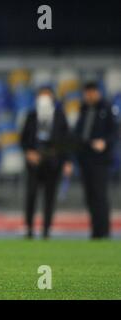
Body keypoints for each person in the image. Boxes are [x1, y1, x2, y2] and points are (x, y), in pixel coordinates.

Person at [21, 87, 73, 239]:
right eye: (41, 96)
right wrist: (29, 152)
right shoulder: (31, 116)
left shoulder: (60, 116)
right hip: (34, 162)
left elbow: (66, 140)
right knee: (31, 195)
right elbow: (23, 138)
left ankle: (46, 230)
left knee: (49, 197)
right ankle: (29, 229)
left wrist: (67, 161)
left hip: (53, 162)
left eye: (46, 96)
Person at [74, 82, 118, 239]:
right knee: (90, 196)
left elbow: (114, 133)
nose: (89, 95)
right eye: (87, 92)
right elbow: (78, 133)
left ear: (98, 92)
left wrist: (104, 142)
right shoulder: (83, 109)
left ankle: (104, 231)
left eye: (92, 92)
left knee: (100, 195)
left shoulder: (106, 108)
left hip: (101, 160)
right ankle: (95, 230)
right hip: (85, 159)